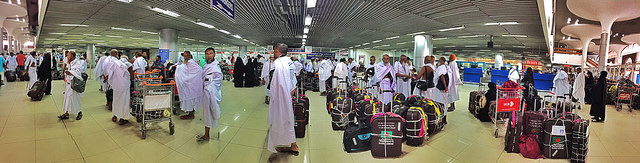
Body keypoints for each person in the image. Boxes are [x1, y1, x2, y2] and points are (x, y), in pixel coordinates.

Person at [267, 43, 299, 154]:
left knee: (280, 119)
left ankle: (290, 144)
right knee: (287, 119)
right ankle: (291, 143)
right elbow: (294, 82)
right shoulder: (289, 62)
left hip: (280, 98)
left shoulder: (278, 64)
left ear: (277, 51)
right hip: (286, 96)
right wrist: (289, 96)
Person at [197, 47, 223, 142]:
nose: (208, 55)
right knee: (206, 113)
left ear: (214, 54)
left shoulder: (215, 67)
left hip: (211, 92)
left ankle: (207, 135)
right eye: (207, 54)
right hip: (206, 92)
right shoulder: (206, 66)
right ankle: (207, 133)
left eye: (210, 53)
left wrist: (209, 88)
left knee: (209, 113)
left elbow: (218, 81)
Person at [102, 49, 132, 125]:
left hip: (116, 85)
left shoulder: (114, 64)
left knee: (116, 101)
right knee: (124, 102)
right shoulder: (128, 65)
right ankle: (122, 118)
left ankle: (115, 116)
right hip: (124, 86)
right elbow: (132, 76)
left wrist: (110, 81)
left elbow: (109, 74)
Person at [175, 51, 204, 120]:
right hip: (189, 85)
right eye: (184, 56)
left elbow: (198, 71)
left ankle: (191, 114)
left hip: (192, 85)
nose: (185, 57)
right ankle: (191, 113)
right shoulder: (187, 63)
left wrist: (178, 68)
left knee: (191, 99)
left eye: (187, 55)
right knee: (191, 99)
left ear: (190, 56)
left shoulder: (191, 62)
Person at [58, 51, 85, 120]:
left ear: (72, 56)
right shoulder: (69, 63)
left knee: (75, 99)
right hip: (68, 84)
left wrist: (70, 72)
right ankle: (66, 114)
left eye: (68, 55)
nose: (67, 57)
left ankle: (79, 112)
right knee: (67, 99)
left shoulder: (77, 63)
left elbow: (78, 72)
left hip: (74, 84)